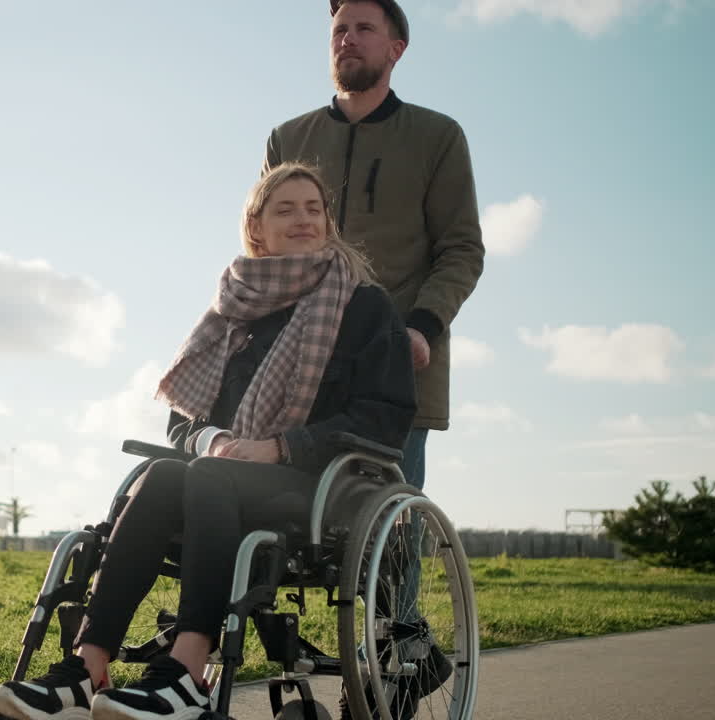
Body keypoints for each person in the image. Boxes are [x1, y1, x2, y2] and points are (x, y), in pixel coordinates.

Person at [0, 162, 416, 720]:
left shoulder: (364, 307)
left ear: (328, 222)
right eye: (285, 209)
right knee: (165, 473)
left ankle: (189, 672)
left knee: (207, 477)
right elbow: (183, 422)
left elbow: (384, 418)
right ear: (256, 226)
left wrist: (282, 447)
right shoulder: (235, 310)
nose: (303, 219)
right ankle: (85, 666)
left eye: (314, 209)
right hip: (224, 473)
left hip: (320, 484)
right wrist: (214, 439)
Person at [263, 2, 484, 716]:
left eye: (361, 27)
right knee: (280, 530)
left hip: (396, 370)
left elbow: (461, 248)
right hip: (299, 370)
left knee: (385, 543)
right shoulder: (290, 136)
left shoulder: (437, 138)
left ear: (396, 46)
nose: (345, 37)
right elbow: (264, 242)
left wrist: (422, 326)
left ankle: (392, 673)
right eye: (337, 27)